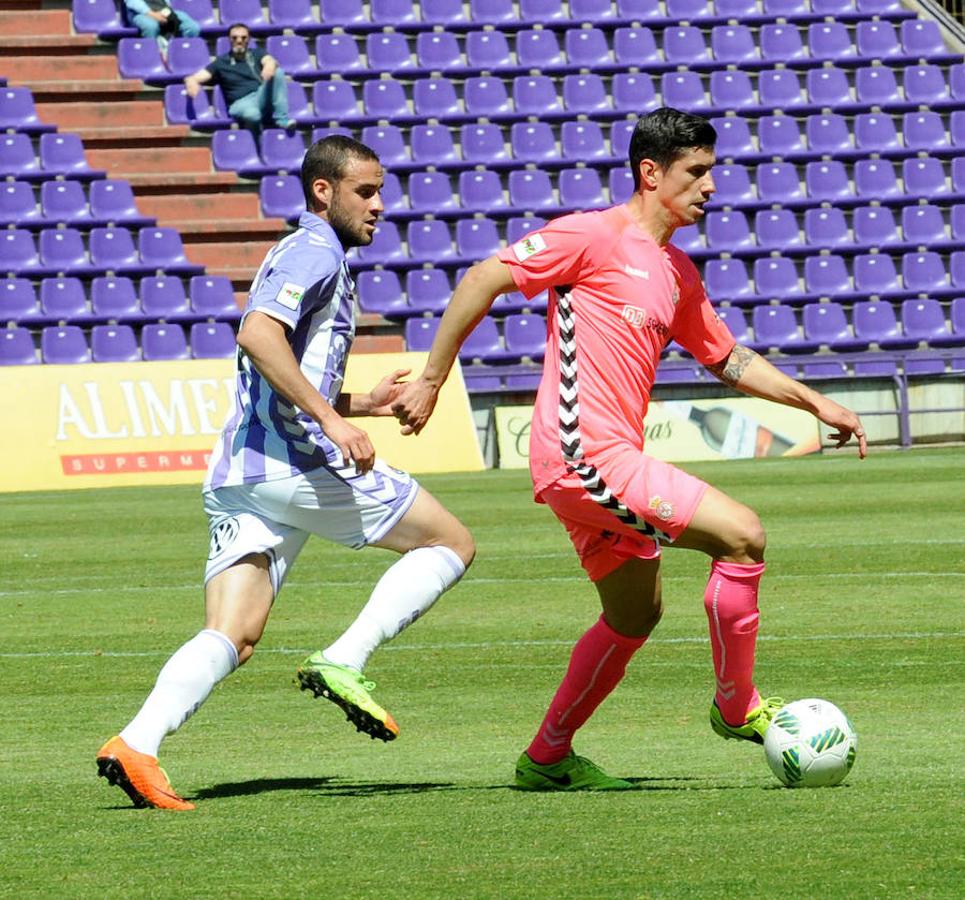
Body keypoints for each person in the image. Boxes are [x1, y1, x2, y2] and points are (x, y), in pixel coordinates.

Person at [391, 107, 868, 792]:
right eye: (695, 172)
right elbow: (481, 279)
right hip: (582, 456)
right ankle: (736, 706)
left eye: (711, 171)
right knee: (741, 535)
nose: (709, 187)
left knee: (633, 613)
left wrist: (814, 401)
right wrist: (433, 378)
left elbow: (726, 357)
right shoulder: (590, 235)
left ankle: (546, 759)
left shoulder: (674, 269)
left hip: (598, 465)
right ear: (651, 172)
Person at [96, 135, 475, 811]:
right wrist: (333, 424)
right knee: (449, 542)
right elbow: (258, 336)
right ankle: (345, 658)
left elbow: (280, 365)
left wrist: (361, 404)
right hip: (292, 460)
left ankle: (137, 743)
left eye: (381, 191)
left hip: (243, 468)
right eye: (366, 191)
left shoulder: (306, 252)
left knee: (233, 635)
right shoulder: (313, 250)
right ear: (322, 191)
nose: (379, 206)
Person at [183, 22, 293, 136]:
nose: (239, 41)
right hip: (240, 103)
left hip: (260, 96)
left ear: (249, 39)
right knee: (253, 114)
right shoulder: (221, 62)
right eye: (234, 38)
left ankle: (282, 118)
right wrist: (191, 81)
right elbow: (198, 76)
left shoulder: (257, 53)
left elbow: (269, 60)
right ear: (229, 39)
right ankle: (257, 148)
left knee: (278, 72)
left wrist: (269, 65)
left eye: (243, 37)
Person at [123, 0, 201, 58]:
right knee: (151, 26)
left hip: (162, 10)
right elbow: (132, 2)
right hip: (139, 13)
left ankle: (182, 55)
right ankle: (153, 57)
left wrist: (166, 13)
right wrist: (152, 14)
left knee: (192, 27)